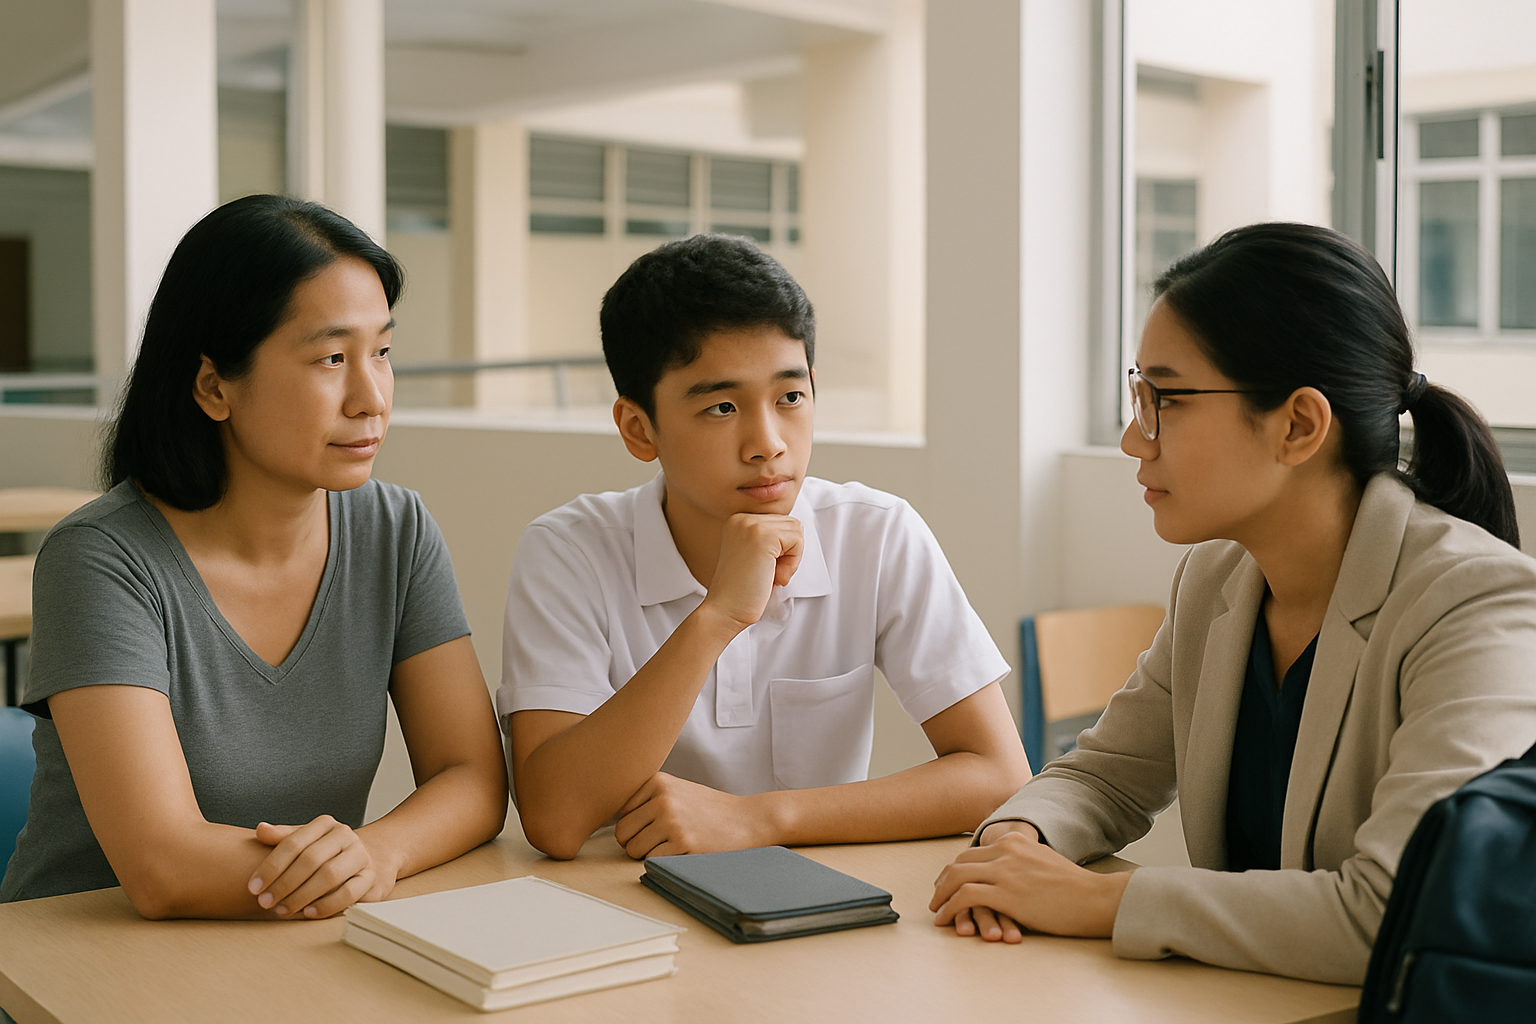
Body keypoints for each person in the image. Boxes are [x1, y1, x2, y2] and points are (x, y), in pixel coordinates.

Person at [930, 222, 1536, 984]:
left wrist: (1099, 901)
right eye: (1137, 395)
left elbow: (1402, 911)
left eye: (1168, 400)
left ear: (1299, 425)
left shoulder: (1477, 606)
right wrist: (1020, 840)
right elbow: (1104, 776)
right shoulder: (1219, 578)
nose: (1132, 439)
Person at [0, 195, 508, 918]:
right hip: (77, 963)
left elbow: (472, 779)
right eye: (332, 358)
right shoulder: (101, 559)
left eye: (383, 353)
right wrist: (346, 867)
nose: (371, 398)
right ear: (214, 386)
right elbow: (164, 865)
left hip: (281, 943)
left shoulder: (397, 529)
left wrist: (378, 852)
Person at [500, 234, 1030, 861]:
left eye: (791, 398)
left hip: (814, 902)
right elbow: (555, 820)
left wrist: (759, 819)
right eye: (722, 406)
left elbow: (1000, 778)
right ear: (639, 430)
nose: (768, 442)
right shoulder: (569, 552)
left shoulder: (876, 532)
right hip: (621, 905)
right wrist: (718, 617)